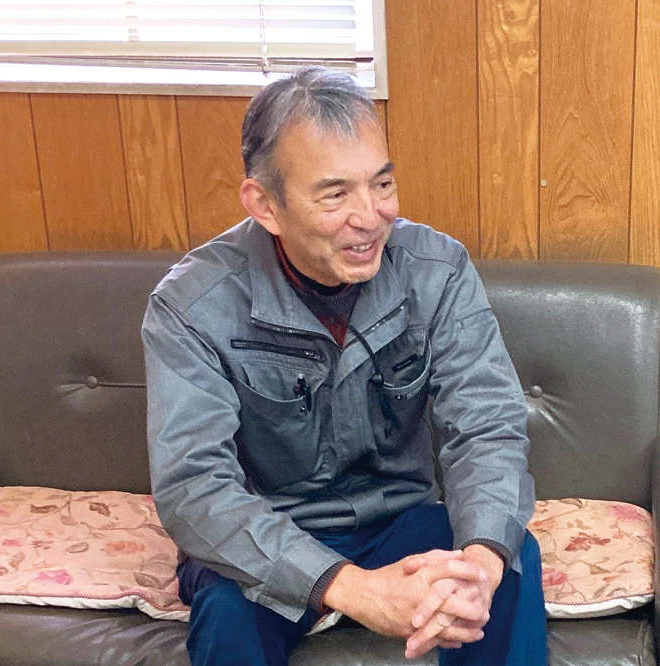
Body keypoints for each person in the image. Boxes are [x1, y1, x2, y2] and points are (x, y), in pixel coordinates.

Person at [141, 67, 547, 666]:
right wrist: (355, 590)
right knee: (227, 611)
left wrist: (480, 565)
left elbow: (486, 425)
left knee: (506, 560)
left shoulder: (438, 270)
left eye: (382, 184)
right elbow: (193, 487)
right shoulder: (190, 305)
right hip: (267, 534)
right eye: (335, 195)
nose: (370, 216)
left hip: (401, 520)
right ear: (265, 205)